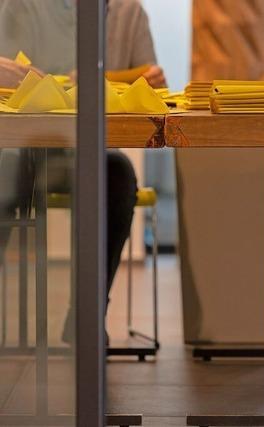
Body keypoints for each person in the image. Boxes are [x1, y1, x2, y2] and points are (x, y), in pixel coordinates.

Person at [0, 0, 166, 343]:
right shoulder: (23, 6)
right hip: (28, 147)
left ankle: (87, 316)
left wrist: (152, 80)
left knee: (118, 175)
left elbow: (153, 85)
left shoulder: (127, 11)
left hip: (92, 150)